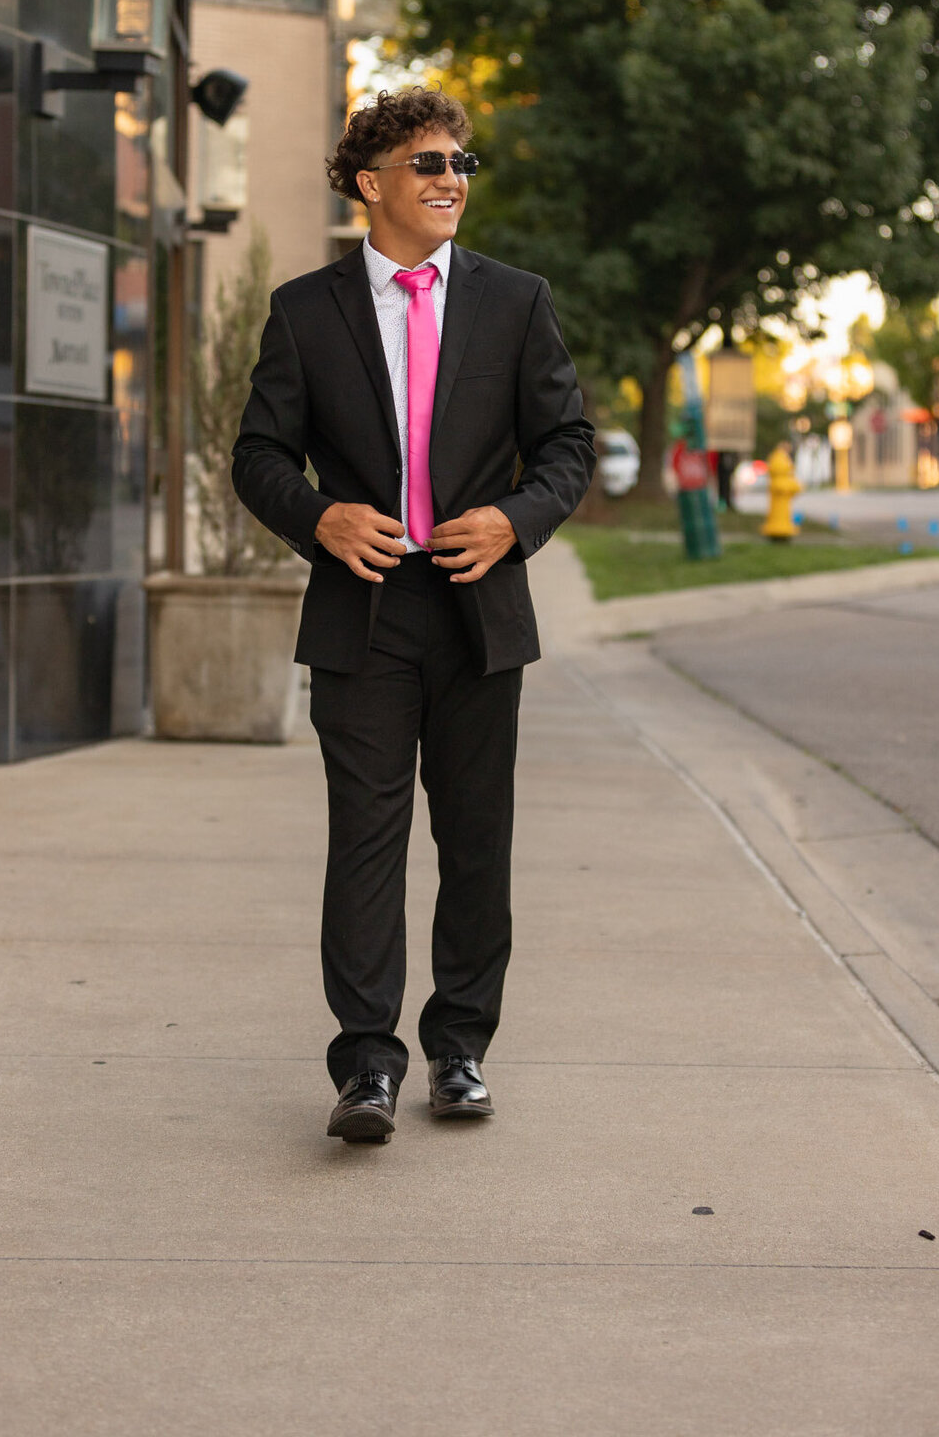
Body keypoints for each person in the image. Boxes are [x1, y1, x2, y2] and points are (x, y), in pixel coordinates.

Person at [232, 86, 594, 1143]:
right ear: (369, 183)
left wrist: (515, 522)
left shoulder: (515, 301)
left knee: (477, 841)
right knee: (367, 841)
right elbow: (258, 456)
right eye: (429, 164)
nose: (450, 182)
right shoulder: (307, 310)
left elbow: (566, 444)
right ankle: (366, 1067)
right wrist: (321, 518)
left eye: (459, 165)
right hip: (366, 615)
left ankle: (461, 1051)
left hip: (481, 611)